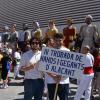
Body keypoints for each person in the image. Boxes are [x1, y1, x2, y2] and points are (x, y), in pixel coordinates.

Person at [47, 33, 70, 100]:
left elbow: (70, 68)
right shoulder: (48, 51)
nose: (58, 42)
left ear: (62, 40)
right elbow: (45, 67)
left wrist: (61, 76)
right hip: (51, 81)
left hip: (64, 81)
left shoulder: (67, 51)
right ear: (53, 40)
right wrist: (53, 76)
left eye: (60, 40)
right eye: (56, 40)